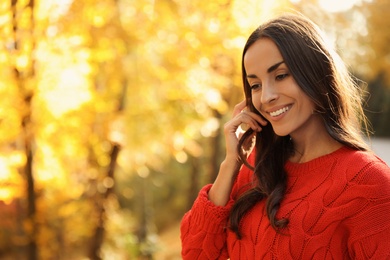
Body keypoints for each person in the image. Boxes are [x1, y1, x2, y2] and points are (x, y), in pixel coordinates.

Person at [180, 13, 390, 259]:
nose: (266, 96)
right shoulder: (255, 167)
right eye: (255, 85)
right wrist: (231, 164)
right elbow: (196, 254)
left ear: (317, 74)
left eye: (280, 76)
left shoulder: (370, 183)